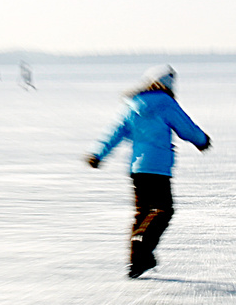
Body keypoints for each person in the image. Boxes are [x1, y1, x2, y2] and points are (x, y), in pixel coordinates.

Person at [85, 64, 211, 278]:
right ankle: (143, 240)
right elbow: (186, 127)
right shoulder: (165, 103)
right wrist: (202, 140)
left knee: (142, 213)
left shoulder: (133, 106)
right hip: (159, 168)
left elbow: (115, 133)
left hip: (137, 169)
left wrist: (98, 154)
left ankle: (138, 261)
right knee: (163, 210)